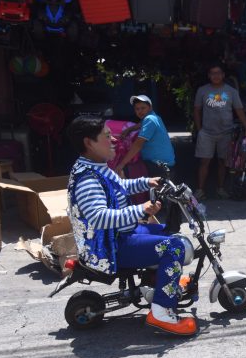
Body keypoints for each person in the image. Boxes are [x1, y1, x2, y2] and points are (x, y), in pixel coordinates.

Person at [66, 116, 197, 335]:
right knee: (174, 247)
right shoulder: (87, 179)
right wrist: (141, 210)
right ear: (89, 143)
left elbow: (119, 187)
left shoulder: (95, 166)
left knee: (168, 233)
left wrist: (146, 182)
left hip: (120, 234)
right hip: (111, 247)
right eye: (107, 136)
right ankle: (162, 313)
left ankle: (162, 284)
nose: (114, 140)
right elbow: (98, 217)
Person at [194, 63, 246, 200]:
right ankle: (200, 190)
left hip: (226, 132)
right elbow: (197, 110)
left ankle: (220, 188)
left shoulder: (231, 91)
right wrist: (199, 129)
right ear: (209, 76)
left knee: (223, 162)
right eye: (212, 73)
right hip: (207, 133)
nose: (216, 76)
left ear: (223, 75)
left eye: (218, 73)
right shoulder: (202, 91)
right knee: (204, 162)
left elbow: (239, 110)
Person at [115, 95, 175, 179]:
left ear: (150, 108)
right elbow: (140, 124)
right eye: (137, 109)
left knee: (127, 172)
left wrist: (122, 164)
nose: (140, 111)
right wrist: (129, 129)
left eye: (143, 108)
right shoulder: (154, 117)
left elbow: (138, 144)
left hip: (158, 166)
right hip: (165, 164)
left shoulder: (149, 119)